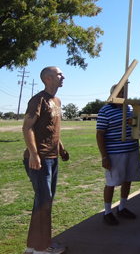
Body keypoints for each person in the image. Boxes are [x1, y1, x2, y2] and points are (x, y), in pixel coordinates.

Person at [22, 67, 69, 254]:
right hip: (39, 160)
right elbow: (27, 128)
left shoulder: (56, 101)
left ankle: (32, 246)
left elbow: (51, 128)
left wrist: (61, 148)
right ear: (48, 79)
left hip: (52, 157)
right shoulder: (38, 99)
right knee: (44, 202)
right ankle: (42, 248)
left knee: (42, 202)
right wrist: (34, 154)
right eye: (59, 74)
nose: (63, 76)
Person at [96, 84, 140, 226]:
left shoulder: (129, 108)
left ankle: (122, 208)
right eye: (119, 92)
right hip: (115, 153)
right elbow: (100, 135)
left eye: (124, 92)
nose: (122, 94)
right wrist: (104, 156)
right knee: (112, 182)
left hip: (132, 150)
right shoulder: (105, 111)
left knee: (128, 180)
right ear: (112, 93)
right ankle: (107, 212)